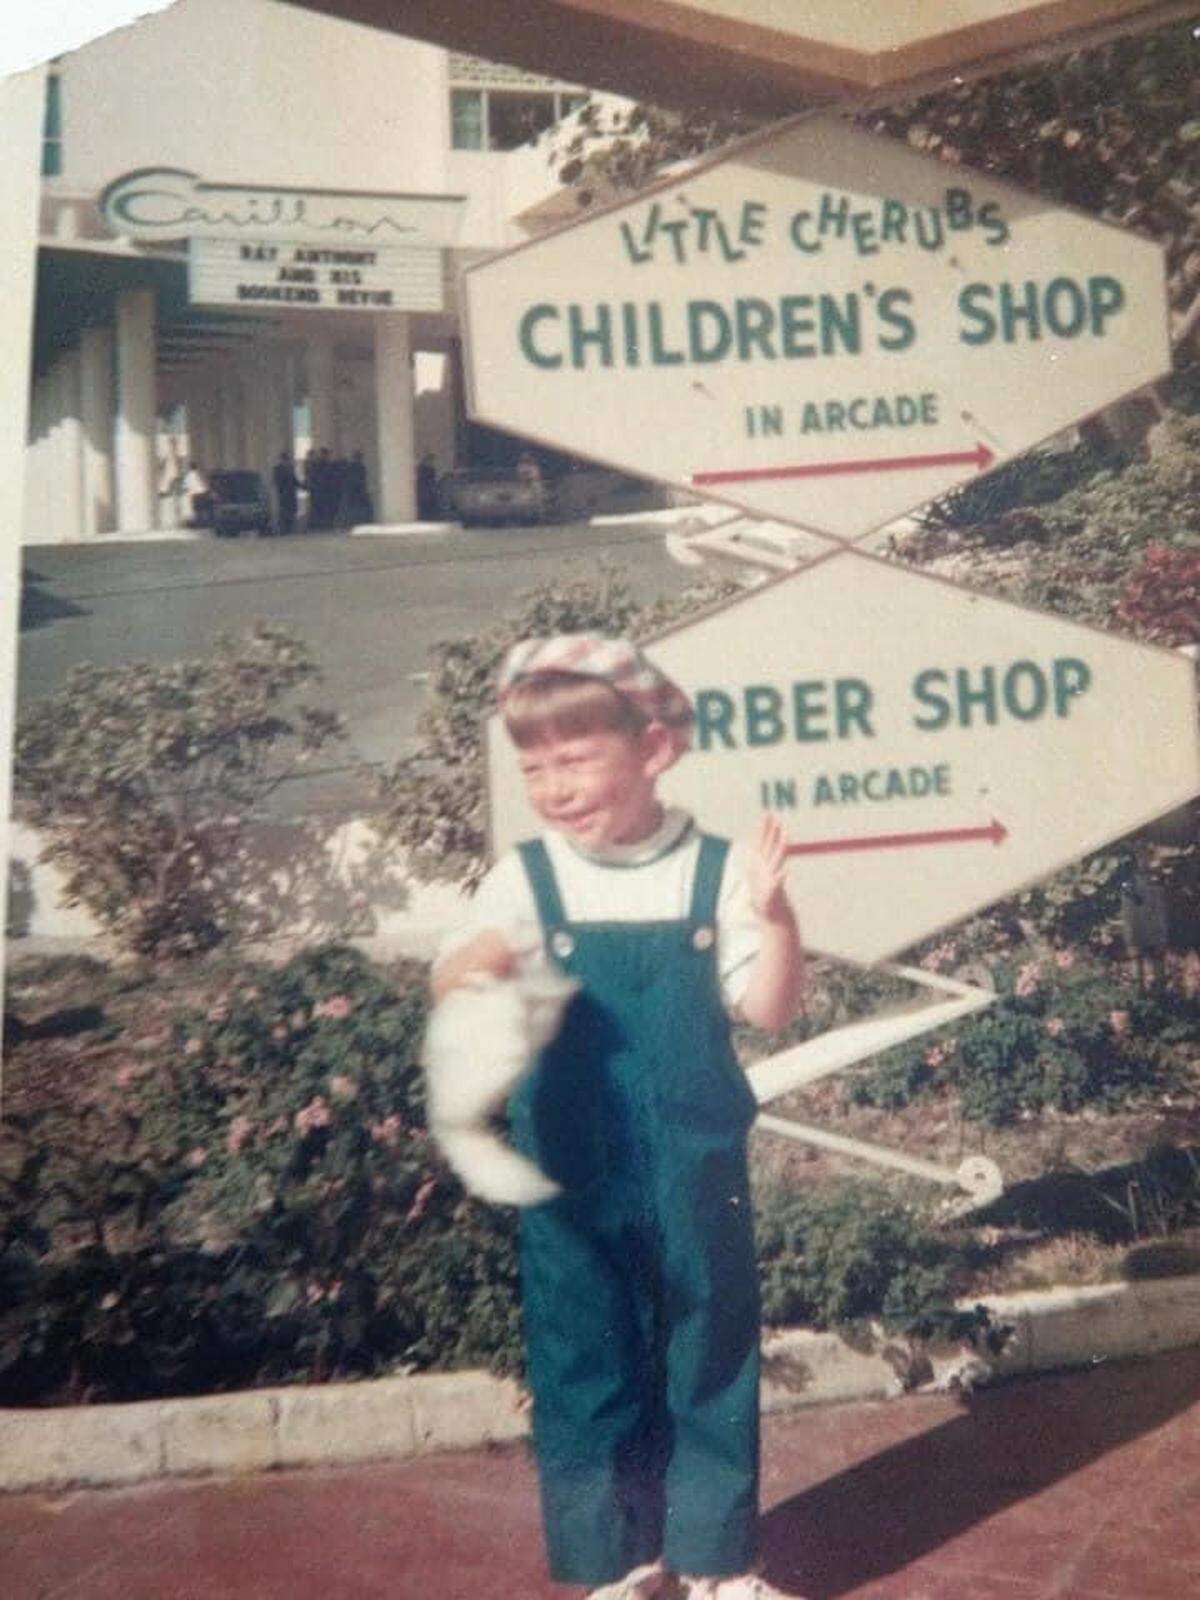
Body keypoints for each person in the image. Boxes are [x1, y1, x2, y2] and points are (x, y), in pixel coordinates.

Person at [431, 634, 806, 1600]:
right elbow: (459, 961)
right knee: (584, 1358)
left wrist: (778, 919)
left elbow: (767, 1009)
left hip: (693, 1156)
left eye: (576, 759)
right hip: (571, 1160)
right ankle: (613, 1563)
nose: (553, 787)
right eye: (534, 768)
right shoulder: (528, 877)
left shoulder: (715, 870)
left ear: (652, 749)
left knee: (710, 1345)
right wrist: (474, 969)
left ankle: (719, 1560)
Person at [272, 450, 299, 535]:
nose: (286, 461)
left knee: (292, 510)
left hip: (291, 493)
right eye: (285, 460)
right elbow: (276, 482)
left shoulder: (290, 469)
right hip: (284, 494)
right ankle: (283, 530)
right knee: (284, 512)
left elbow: (295, 481)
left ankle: (290, 529)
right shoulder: (277, 469)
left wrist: (306, 487)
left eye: (286, 460)